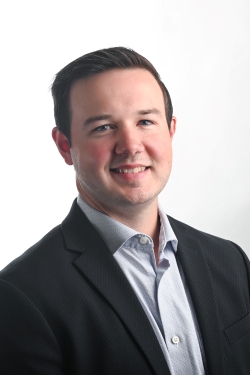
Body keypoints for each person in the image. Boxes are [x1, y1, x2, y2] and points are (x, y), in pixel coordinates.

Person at [0, 47, 249, 375]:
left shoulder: (231, 261)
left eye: (145, 121)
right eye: (103, 127)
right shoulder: (21, 296)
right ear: (65, 146)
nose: (131, 145)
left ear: (170, 130)